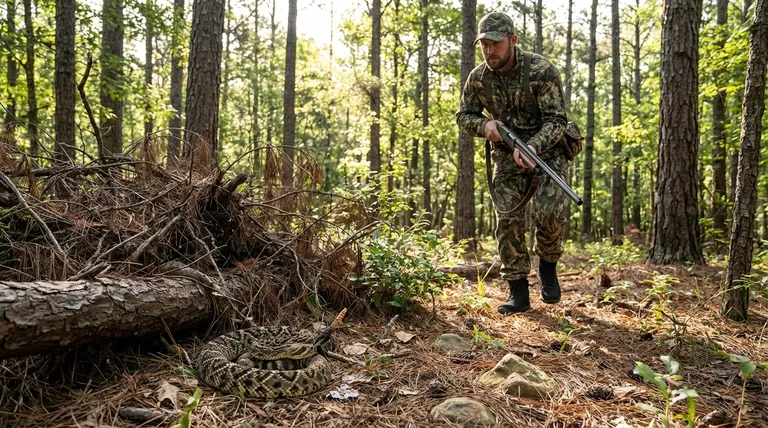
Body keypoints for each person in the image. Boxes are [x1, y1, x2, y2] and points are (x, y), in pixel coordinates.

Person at [456, 11, 569, 315]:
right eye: (484, 45)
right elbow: (463, 115)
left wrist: (532, 147)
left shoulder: (542, 70)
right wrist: (485, 127)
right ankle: (518, 291)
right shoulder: (478, 77)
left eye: (495, 43)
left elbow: (557, 121)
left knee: (551, 213)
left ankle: (547, 264)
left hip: (549, 151)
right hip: (506, 154)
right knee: (508, 220)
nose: (489, 50)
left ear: (513, 40)